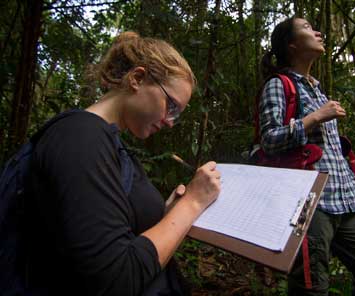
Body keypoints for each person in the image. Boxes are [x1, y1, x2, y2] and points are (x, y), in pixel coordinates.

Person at [25, 32, 221, 295]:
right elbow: (116, 279)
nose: (170, 121)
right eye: (171, 106)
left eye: (177, 115)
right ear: (137, 79)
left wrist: (169, 213)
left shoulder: (111, 145)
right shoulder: (80, 138)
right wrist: (192, 203)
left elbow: (116, 230)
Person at [259, 17, 355, 295]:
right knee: (311, 289)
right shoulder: (279, 85)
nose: (317, 32)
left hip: (348, 204)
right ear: (291, 45)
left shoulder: (316, 88)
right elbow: (269, 140)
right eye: (306, 28)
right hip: (310, 206)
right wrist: (316, 117)